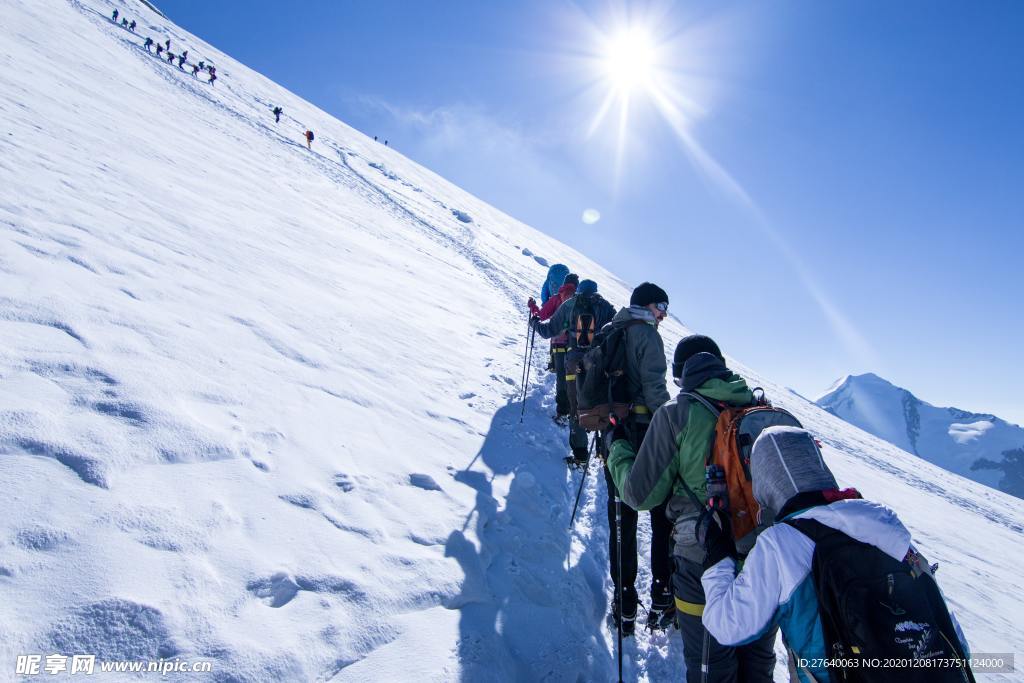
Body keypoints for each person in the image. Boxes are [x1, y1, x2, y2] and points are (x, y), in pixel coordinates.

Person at [700, 426, 973, 683]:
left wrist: (716, 557)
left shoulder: (780, 544)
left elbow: (728, 624)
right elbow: (948, 629)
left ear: (766, 480)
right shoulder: (883, 522)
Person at [607, 337, 779, 672]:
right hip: (764, 559)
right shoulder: (762, 410)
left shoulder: (677, 413)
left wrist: (618, 451)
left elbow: (640, 495)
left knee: (710, 667)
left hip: (701, 559)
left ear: (682, 376)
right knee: (758, 668)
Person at [592, 282, 673, 635]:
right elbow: (656, 390)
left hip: (613, 433)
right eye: (661, 307)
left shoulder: (612, 329)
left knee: (621, 521)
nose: (664, 315)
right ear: (647, 306)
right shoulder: (647, 336)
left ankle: (623, 604)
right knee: (661, 516)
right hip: (645, 433)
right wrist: (672, 431)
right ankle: (662, 597)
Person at [529, 272, 577, 424]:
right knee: (573, 379)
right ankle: (575, 413)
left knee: (562, 378)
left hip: (558, 344)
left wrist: (532, 307)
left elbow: (541, 315)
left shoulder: (557, 298)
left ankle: (562, 413)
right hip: (574, 346)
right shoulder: (579, 301)